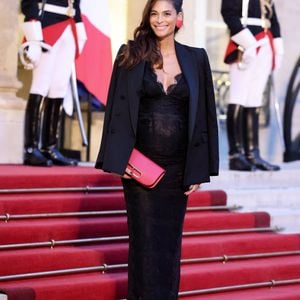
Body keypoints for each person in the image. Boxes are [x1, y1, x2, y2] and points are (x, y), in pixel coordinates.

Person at [95, 0, 219, 298]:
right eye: (153, 13)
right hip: (141, 169)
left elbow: (205, 115)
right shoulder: (131, 54)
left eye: (166, 13)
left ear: (179, 18)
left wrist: (199, 169)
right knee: (145, 245)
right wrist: (119, 159)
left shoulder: (196, 58)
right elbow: (115, 108)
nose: (159, 20)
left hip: (177, 172)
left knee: (169, 246)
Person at [20, 0, 87, 166]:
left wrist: (79, 24)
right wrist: (33, 32)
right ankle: (31, 148)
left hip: (69, 27)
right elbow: (28, 3)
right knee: (40, 85)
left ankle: (50, 147)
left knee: (59, 87)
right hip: (46, 27)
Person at [221, 0, 284, 171]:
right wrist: (247, 42)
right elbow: (229, 13)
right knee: (238, 97)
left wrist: (278, 49)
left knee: (254, 99)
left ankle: (252, 154)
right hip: (245, 45)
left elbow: (274, 21)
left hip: (266, 44)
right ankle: (235, 155)